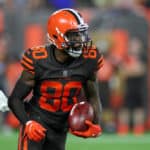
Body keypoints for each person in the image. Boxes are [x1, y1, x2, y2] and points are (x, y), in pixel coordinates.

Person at [8, 8, 103, 150]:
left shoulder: (89, 59)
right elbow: (15, 99)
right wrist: (28, 123)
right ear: (56, 36)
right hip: (37, 122)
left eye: (81, 34)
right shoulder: (38, 60)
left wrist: (96, 123)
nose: (79, 40)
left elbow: (93, 97)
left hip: (61, 128)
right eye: (73, 36)